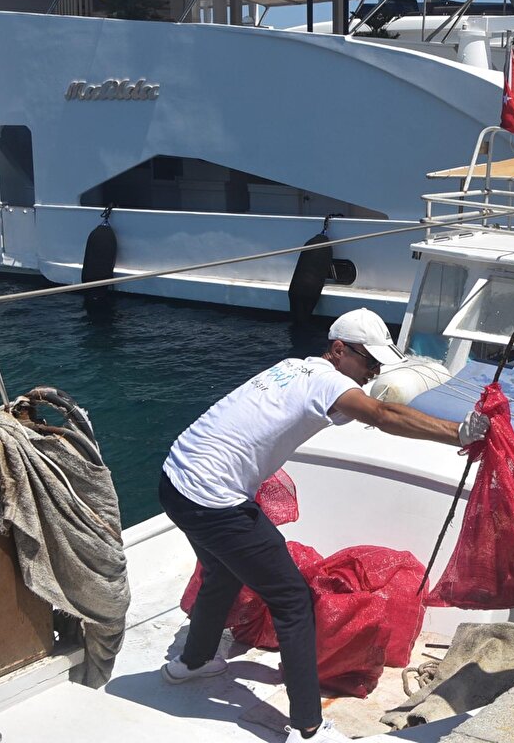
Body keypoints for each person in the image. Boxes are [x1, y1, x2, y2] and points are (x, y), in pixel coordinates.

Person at [158, 308, 489, 743]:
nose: (370, 372)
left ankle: (193, 661)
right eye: (367, 361)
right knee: (293, 599)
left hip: (175, 479)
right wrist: (460, 432)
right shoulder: (332, 381)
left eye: (376, 364)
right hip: (213, 498)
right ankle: (308, 728)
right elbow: (384, 415)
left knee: (222, 569)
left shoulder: (291, 366)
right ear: (338, 350)